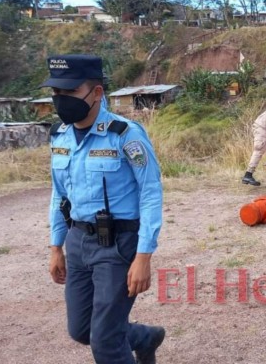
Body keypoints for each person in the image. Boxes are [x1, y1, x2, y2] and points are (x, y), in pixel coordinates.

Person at [44, 54, 165, 364]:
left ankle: (128, 342)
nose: (60, 100)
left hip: (117, 245)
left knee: (106, 343)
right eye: (56, 93)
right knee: (82, 330)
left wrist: (143, 255)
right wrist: (56, 246)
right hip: (77, 242)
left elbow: (150, 192)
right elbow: (59, 195)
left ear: (96, 92)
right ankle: (144, 337)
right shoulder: (60, 137)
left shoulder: (125, 134)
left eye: (69, 92)